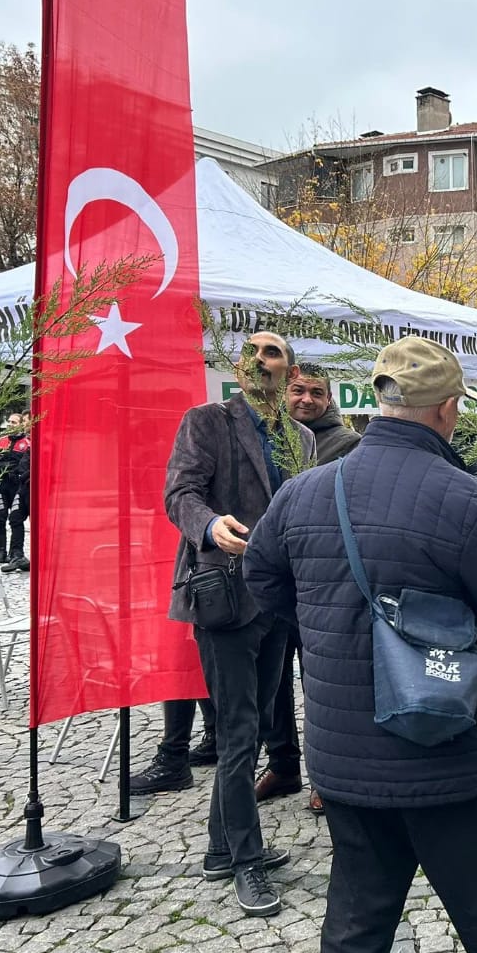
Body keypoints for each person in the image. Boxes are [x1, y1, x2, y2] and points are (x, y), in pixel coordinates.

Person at [243, 335, 477, 953]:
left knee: (354, 930)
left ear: (378, 400)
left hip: (347, 760)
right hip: (452, 760)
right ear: (448, 408)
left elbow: (261, 577)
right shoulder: (463, 500)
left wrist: (328, 630)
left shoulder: (305, 492)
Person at [161, 331, 314, 918]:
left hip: (276, 599)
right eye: (250, 351)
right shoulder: (207, 421)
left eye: (271, 352)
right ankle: (246, 859)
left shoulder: (301, 437)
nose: (258, 359)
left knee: (256, 722)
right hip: (222, 595)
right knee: (238, 732)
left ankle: (220, 848)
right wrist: (208, 524)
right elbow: (179, 492)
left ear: (288, 370)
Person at [258, 363, 365, 815]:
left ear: (329, 399)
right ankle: (282, 764)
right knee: (273, 681)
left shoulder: (347, 444)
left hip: (321, 580)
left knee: (323, 683)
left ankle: (327, 776)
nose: (306, 399)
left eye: (316, 392)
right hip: (274, 577)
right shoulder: (267, 438)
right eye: (298, 390)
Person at [0, 414, 32, 572]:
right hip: (1, 485)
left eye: (14, 422)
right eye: (8, 421)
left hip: (17, 485)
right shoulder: (0, 441)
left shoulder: (27, 443)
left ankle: (16, 553)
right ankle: (1, 551)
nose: (10, 424)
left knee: (15, 519)